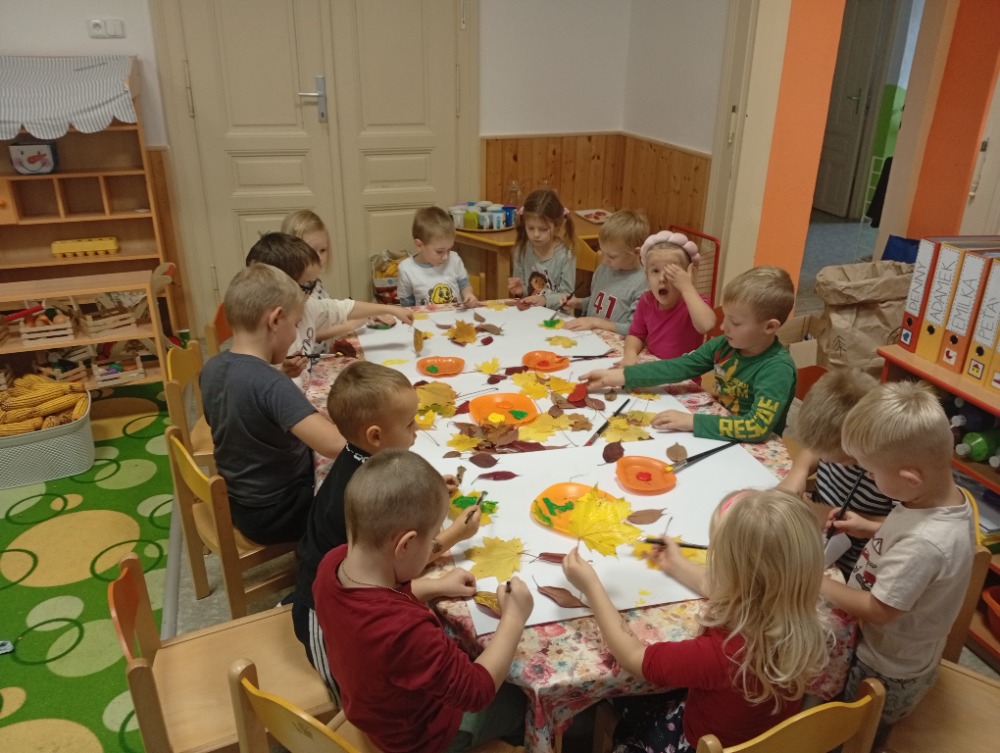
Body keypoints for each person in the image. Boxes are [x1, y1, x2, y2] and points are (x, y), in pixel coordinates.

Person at [562, 488, 831, 751]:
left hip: (696, 743)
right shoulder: (804, 621)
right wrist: (675, 564)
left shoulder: (724, 653)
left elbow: (633, 657)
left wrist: (591, 587)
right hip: (762, 738)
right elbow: (739, 590)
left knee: (622, 698)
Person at [314, 449, 533, 753]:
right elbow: (477, 691)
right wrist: (514, 617)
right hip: (421, 737)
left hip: (374, 713)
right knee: (523, 699)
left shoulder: (332, 565)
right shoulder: (406, 633)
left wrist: (435, 585)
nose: (434, 545)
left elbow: (379, 600)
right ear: (405, 545)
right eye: (431, 541)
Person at [292, 361, 482, 690]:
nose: (417, 429)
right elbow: (403, 561)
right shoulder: (365, 499)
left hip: (354, 591)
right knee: (360, 689)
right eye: (409, 423)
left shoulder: (358, 458)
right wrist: (456, 534)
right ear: (376, 436)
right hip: (327, 619)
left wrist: (425, 486)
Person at [821, 381, 975, 744]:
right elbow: (912, 536)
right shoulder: (936, 498)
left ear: (910, 478)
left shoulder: (925, 544)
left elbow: (879, 610)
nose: (867, 478)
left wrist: (815, 581)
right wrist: (870, 526)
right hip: (895, 648)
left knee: (857, 728)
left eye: (871, 473)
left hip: (885, 668)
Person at [200, 263, 345, 544]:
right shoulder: (270, 384)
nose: (295, 335)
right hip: (280, 512)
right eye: (295, 324)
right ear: (276, 320)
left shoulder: (213, 367)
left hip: (240, 503)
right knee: (363, 494)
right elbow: (334, 445)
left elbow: (242, 407)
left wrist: (281, 376)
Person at [581, 266, 796, 442]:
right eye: (725, 317)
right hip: (719, 427)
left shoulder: (777, 369)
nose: (723, 327)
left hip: (749, 447)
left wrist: (691, 421)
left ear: (769, 327)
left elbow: (756, 427)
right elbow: (680, 367)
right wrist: (618, 376)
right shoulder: (725, 344)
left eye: (735, 322)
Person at [777, 369, 894, 577]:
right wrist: (798, 473)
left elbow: (902, 527)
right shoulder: (836, 441)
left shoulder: (890, 468)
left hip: (852, 564)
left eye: (837, 459)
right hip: (814, 535)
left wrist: (824, 513)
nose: (827, 460)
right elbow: (813, 450)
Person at [246, 232, 412, 367]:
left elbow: (344, 308)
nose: (313, 292)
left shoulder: (308, 306)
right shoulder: (265, 340)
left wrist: (391, 309)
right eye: (308, 285)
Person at [282, 209, 391, 349]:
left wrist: (371, 313)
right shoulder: (292, 292)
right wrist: (355, 323)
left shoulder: (314, 282)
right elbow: (312, 331)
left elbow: (332, 312)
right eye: (312, 251)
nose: (319, 258)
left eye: (323, 250)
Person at [620, 231, 716, 365]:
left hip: (683, 373)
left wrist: (687, 287)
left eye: (672, 272)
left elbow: (707, 325)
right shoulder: (646, 300)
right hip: (654, 367)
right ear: (647, 275)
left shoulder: (695, 301)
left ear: (689, 274)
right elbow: (636, 335)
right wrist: (630, 354)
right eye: (655, 271)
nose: (662, 278)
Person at [561, 209, 649, 336]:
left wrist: (595, 322)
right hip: (589, 338)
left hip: (616, 343)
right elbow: (599, 302)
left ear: (636, 252)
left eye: (612, 256)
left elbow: (634, 328)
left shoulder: (643, 284)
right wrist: (578, 302)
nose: (605, 260)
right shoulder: (604, 269)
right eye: (603, 252)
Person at [507, 188, 576, 308]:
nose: (536, 234)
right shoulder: (521, 250)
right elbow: (524, 293)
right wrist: (520, 291)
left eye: (543, 229)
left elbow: (567, 294)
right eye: (530, 228)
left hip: (557, 315)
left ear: (557, 226)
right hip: (530, 313)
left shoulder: (565, 255)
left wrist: (545, 300)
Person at [397, 206, 478, 307]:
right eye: (439, 251)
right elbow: (407, 306)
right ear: (419, 245)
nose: (445, 257)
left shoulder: (454, 259)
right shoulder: (406, 269)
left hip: (455, 315)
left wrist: (468, 295)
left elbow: (464, 285)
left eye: (449, 249)